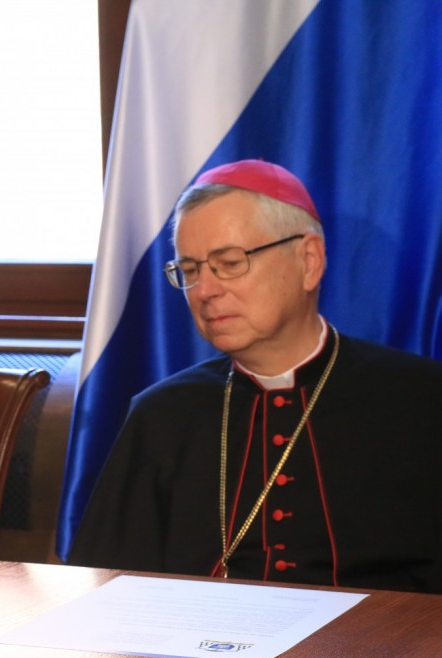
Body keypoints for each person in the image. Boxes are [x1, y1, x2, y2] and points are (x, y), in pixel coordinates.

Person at [70, 159, 442, 593]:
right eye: (189, 270)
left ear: (309, 261)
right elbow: (105, 589)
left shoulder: (421, 399)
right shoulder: (160, 414)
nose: (205, 291)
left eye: (229, 262)